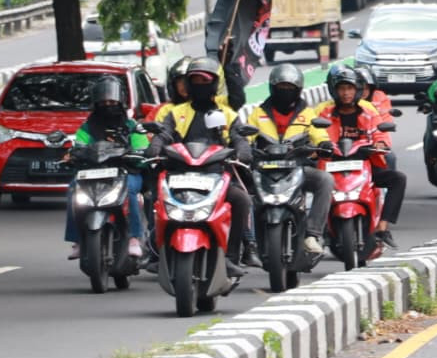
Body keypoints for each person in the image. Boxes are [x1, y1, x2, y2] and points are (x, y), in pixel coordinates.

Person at [156, 57, 255, 273]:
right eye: (195, 80)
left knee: (242, 200)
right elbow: (163, 134)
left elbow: (238, 138)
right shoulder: (176, 113)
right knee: (152, 198)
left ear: (214, 84)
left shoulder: (225, 114)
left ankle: (231, 256)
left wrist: (242, 151)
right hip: (179, 175)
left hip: (215, 174)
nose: (200, 85)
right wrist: (154, 148)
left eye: (204, 80)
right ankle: (156, 251)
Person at [243, 63, 334, 257]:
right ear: (272, 88)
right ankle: (248, 240)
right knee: (240, 192)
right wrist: (241, 147)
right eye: (281, 88)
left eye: (290, 89)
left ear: (298, 90)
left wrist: (325, 144)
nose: (285, 92)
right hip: (264, 170)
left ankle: (312, 233)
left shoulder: (307, 114)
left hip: (297, 168)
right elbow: (246, 137)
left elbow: (319, 134)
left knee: (325, 180)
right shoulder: (258, 114)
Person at [318, 65, 407, 248]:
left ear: (357, 90)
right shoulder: (324, 113)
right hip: (333, 164)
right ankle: (316, 230)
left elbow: (379, 133)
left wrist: (379, 145)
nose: (346, 93)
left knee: (398, 179)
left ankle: (382, 227)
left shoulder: (368, 111)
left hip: (364, 164)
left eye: (350, 88)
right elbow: (316, 134)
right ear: (334, 90)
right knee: (311, 184)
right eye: (341, 88)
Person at [65, 76, 148, 260]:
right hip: (92, 173)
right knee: (73, 191)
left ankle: (134, 238)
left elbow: (142, 148)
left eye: (112, 101)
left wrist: (138, 155)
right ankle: (77, 239)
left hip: (125, 172)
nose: (108, 105)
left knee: (131, 192)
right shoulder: (87, 128)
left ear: (120, 101)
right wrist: (74, 155)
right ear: (96, 103)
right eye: (103, 102)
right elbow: (78, 145)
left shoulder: (131, 126)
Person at [148, 56, 192, 121]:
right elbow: (146, 129)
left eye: (188, 80)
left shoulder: (209, 107)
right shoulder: (163, 111)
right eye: (179, 81)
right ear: (173, 85)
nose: (184, 85)